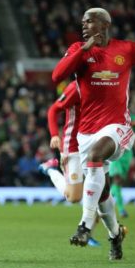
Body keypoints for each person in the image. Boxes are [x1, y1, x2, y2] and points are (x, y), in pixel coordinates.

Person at [52, 7, 135, 260]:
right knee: (103, 193)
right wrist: (85, 50)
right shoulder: (78, 49)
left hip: (118, 126)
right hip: (86, 132)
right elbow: (57, 76)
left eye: (89, 21)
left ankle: (85, 225)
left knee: (97, 156)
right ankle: (115, 234)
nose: (84, 25)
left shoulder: (127, 49)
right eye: (83, 22)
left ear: (105, 24)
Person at [39, 81, 101, 246]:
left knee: (99, 192)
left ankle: (88, 234)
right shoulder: (75, 88)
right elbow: (53, 110)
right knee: (74, 197)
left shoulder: (105, 84)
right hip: (73, 146)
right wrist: (54, 135)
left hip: (95, 145)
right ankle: (50, 169)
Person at [110, 113, 135, 218]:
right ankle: (121, 209)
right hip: (116, 151)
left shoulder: (133, 117)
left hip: (127, 154)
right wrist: (131, 123)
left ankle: (104, 202)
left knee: (119, 182)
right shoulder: (114, 112)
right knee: (117, 178)